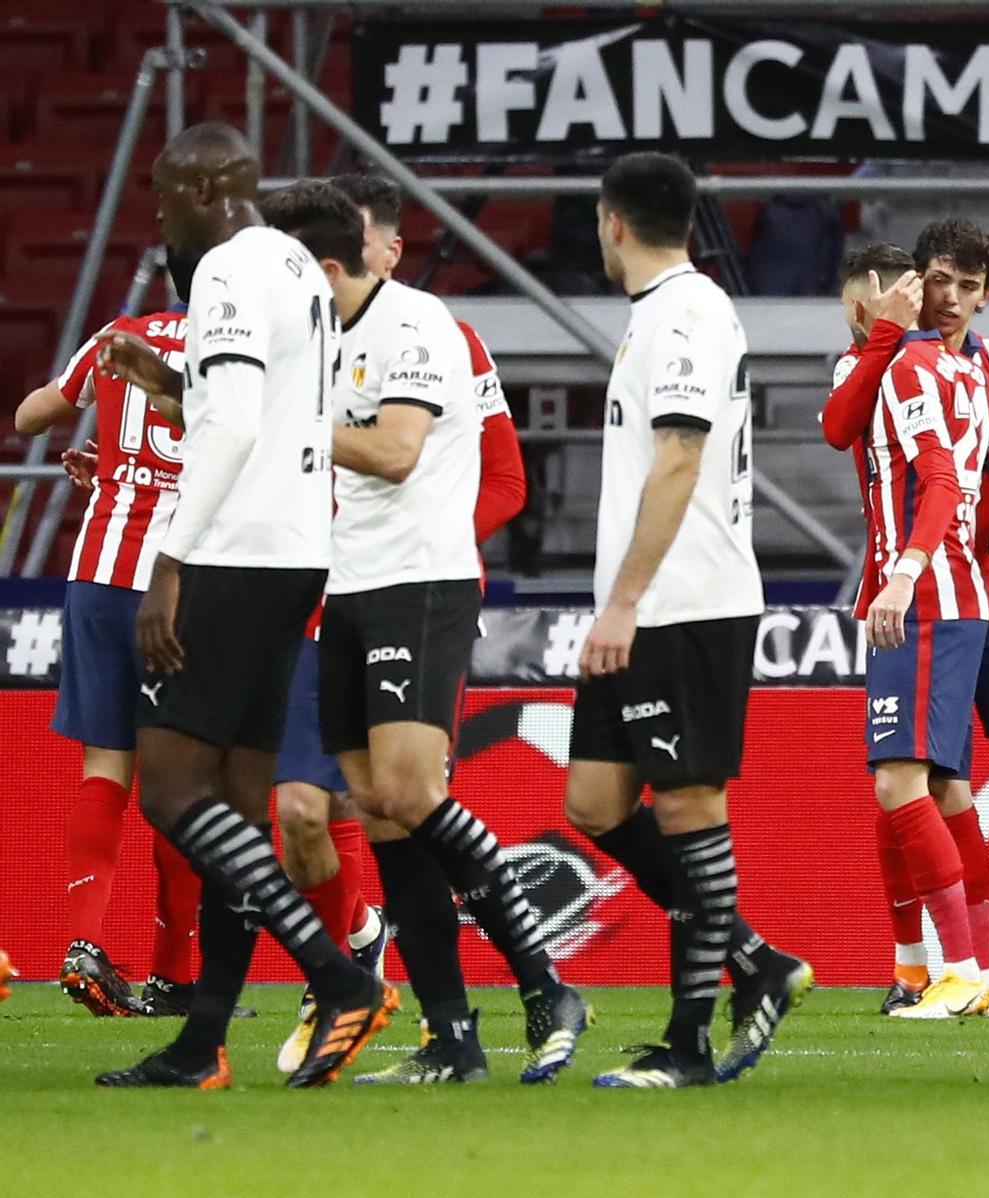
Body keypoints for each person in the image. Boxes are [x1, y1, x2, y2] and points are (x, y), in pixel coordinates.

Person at [256, 180, 590, 1086]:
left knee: (409, 791)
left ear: (334, 264)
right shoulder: (318, 338)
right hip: (348, 589)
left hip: (422, 582)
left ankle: (547, 984)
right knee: (381, 812)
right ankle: (451, 1036)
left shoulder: (419, 327)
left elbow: (399, 453)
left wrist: (283, 420)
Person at [89, 123, 395, 1090]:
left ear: (209, 186)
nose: (156, 210)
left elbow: (229, 425)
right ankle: (201, 1043)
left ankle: (339, 976)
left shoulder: (225, 266)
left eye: (164, 190)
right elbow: (253, 411)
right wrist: (166, 383)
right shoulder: (297, 270)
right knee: (236, 804)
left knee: (173, 789)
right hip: (298, 550)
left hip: (235, 553)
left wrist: (170, 559)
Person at [563, 152, 810, 1088]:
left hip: (686, 601)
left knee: (688, 805)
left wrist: (624, 602)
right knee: (594, 801)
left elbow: (678, 463)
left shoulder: (687, 316)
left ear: (610, 222)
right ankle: (759, 961)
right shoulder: (659, 316)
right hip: (645, 605)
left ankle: (690, 1043)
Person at [821, 221, 989, 1013]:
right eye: (940, 282)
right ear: (913, 288)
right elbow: (840, 430)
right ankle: (919, 963)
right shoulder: (884, 362)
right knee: (929, 780)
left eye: (969, 286)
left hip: (967, 590)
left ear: (986, 295)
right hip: (933, 580)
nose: (952, 298)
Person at [17, 310, 203, 1018]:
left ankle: (83, 943)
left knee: (105, 767)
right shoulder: (240, 339)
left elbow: (32, 415)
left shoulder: (122, 331)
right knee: (183, 783)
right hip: (186, 583)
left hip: (99, 571)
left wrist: (117, 464)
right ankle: (175, 974)